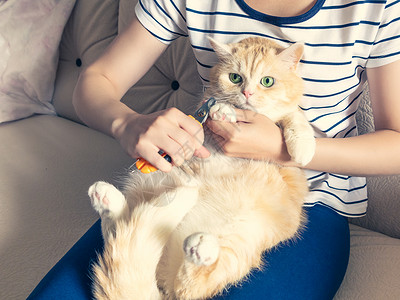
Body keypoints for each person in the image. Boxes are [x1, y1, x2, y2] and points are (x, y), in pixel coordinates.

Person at [28, 0, 400, 299]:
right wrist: (126, 123)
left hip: (302, 207)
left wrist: (282, 149)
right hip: (190, 182)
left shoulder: (377, 7)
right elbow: (97, 81)